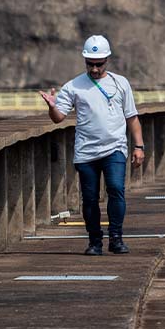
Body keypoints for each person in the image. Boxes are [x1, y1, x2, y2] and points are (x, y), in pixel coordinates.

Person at [39, 35, 146, 255]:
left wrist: (139, 146)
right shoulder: (73, 86)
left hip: (115, 147)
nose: (95, 69)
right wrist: (51, 106)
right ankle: (94, 241)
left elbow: (132, 117)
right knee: (90, 198)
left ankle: (116, 238)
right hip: (86, 151)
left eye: (99, 64)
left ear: (107, 60)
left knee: (116, 189)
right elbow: (59, 118)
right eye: (90, 64)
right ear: (85, 61)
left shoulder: (120, 83)